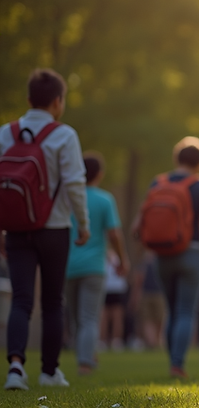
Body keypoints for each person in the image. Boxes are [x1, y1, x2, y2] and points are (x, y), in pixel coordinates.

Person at [1, 69, 89, 390]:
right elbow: (75, 184)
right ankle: (49, 372)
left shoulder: (5, 133)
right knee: (53, 301)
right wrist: (83, 223)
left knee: (21, 299)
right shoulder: (64, 135)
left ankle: (14, 368)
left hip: (16, 229)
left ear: (28, 100)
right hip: (55, 228)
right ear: (57, 102)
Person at [139, 136, 199, 378]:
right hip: (192, 253)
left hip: (161, 254)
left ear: (177, 158)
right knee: (186, 311)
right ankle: (177, 364)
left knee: (172, 310)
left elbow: (139, 223)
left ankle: (172, 361)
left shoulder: (158, 182)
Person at [64, 152, 127, 375]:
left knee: (76, 317)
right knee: (89, 316)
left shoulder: (67, 197)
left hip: (68, 266)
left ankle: (87, 355)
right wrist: (122, 259)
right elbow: (114, 235)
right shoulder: (104, 199)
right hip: (94, 268)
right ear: (100, 174)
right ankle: (84, 363)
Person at [101, 251, 129, 351]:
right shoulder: (118, 257)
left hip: (107, 288)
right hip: (116, 288)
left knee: (105, 315)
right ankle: (115, 340)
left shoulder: (102, 256)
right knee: (116, 316)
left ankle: (104, 341)